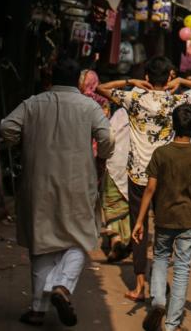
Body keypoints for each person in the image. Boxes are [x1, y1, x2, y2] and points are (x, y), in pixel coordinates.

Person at [1, 59, 113, 328]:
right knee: (81, 236)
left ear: (51, 80)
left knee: (41, 242)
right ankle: (62, 286)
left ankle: (38, 309)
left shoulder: (33, 103)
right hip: (78, 182)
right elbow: (107, 138)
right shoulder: (89, 106)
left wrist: (22, 144)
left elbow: (7, 128)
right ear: (77, 81)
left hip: (37, 182)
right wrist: (103, 158)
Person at [99, 57, 191, 302]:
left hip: (138, 175)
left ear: (147, 77)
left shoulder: (134, 98)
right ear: (169, 76)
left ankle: (140, 285)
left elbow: (101, 88)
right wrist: (180, 81)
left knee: (139, 229)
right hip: (165, 175)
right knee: (163, 228)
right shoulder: (176, 100)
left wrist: (130, 81)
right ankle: (158, 281)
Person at [131, 104, 191, 331]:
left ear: (172, 126)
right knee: (182, 268)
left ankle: (158, 301)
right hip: (188, 220)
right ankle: (171, 324)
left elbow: (149, 190)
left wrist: (139, 221)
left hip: (163, 218)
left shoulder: (161, 154)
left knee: (159, 259)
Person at [80, 69, 133, 261]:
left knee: (106, 200)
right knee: (121, 202)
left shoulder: (75, 101)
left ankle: (114, 237)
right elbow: (106, 134)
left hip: (90, 155)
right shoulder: (103, 104)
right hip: (110, 157)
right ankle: (121, 238)